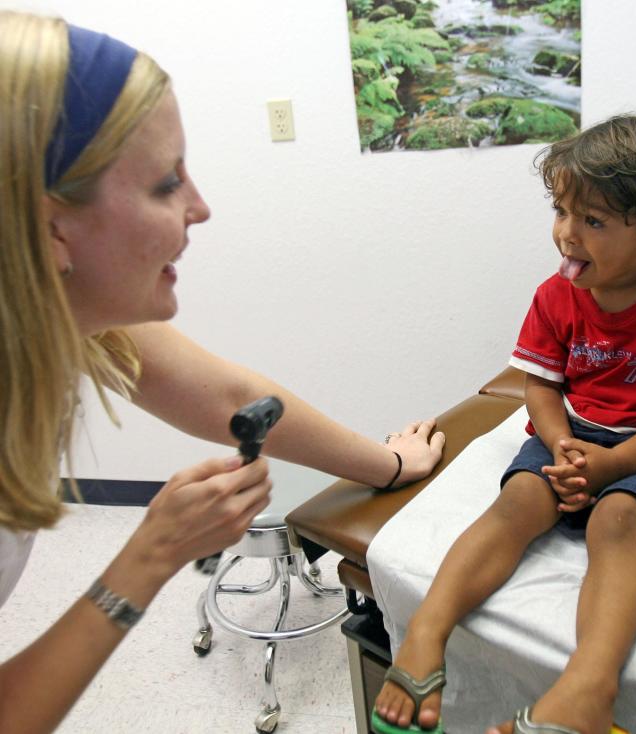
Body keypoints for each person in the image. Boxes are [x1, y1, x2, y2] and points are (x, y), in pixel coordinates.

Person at [0, 11, 444, 733]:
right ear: (51, 227)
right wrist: (147, 559)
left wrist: (391, 465)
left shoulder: (57, 309)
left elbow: (233, 397)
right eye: (166, 183)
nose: (201, 208)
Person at [372, 112, 636, 734]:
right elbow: (540, 383)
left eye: (592, 221)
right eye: (562, 212)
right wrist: (561, 443)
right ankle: (427, 632)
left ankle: (589, 689)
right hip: (571, 434)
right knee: (516, 500)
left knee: (617, 520)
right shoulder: (556, 294)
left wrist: (615, 467)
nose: (567, 234)